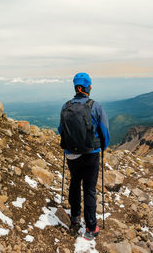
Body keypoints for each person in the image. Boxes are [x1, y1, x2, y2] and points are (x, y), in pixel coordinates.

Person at [58, 72, 110, 240]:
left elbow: (61, 130)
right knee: (89, 190)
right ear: (88, 87)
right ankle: (91, 228)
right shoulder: (95, 106)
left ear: (75, 87)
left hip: (71, 155)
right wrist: (103, 146)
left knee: (74, 183)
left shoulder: (66, 106)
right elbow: (105, 132)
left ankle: (74, 218)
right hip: (90, 155)